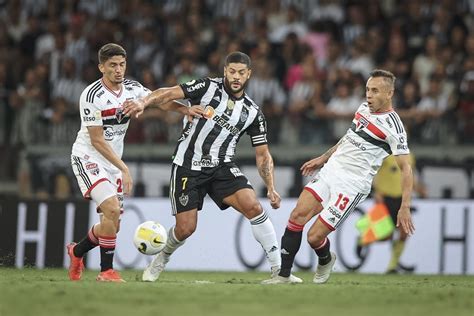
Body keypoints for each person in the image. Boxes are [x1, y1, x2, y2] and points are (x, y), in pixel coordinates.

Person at [123, 51, 301, 283]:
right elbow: (167, 93)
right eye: (232, 71)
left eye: (241, 73)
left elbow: (263, 155)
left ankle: (280, 271)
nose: (236, 77)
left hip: (221, 166)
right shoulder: (206, 87)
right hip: (188, 165)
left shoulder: (253, 112)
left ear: (249, 75)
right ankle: (161, 260)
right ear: (225, 71)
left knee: (254, 206)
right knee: (186, 229)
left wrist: (271, 187)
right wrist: (142, 102)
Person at [263, 69, 415, 284]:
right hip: (331, 172)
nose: (368, 95)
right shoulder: (363, 108)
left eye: (375, 91)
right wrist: (324, 157)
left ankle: (325, 259)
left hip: (352, 185)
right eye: (367, 90)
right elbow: (348, 138)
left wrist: (405, 206)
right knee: (297, 216)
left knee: (314, 237)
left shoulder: (394, 127)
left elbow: (406, 168)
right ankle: (284, 275)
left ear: (389, 93)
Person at [67, 43, 200, 282]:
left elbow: (158, 101)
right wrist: (124, 168)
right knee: (112, 209)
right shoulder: (91, 96)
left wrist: (184, 110)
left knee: (112, 225)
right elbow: (97, 140)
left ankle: (76, 252)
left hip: (114, 161)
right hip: (89, 157)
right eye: (113, 66)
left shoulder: (132, 88)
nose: (119, 70)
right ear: (101, 67)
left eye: (122, 64)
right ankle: (107, 271)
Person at [372, 153, 426, 274]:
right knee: (386, 236)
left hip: (402, 200)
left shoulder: (410, 156)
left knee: (404, 232)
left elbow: (410, 176)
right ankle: (362, 239)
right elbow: (374, 172)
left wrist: (418, 189)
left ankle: (392, 265)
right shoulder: (384, 153)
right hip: (386, 198)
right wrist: (377, 191)